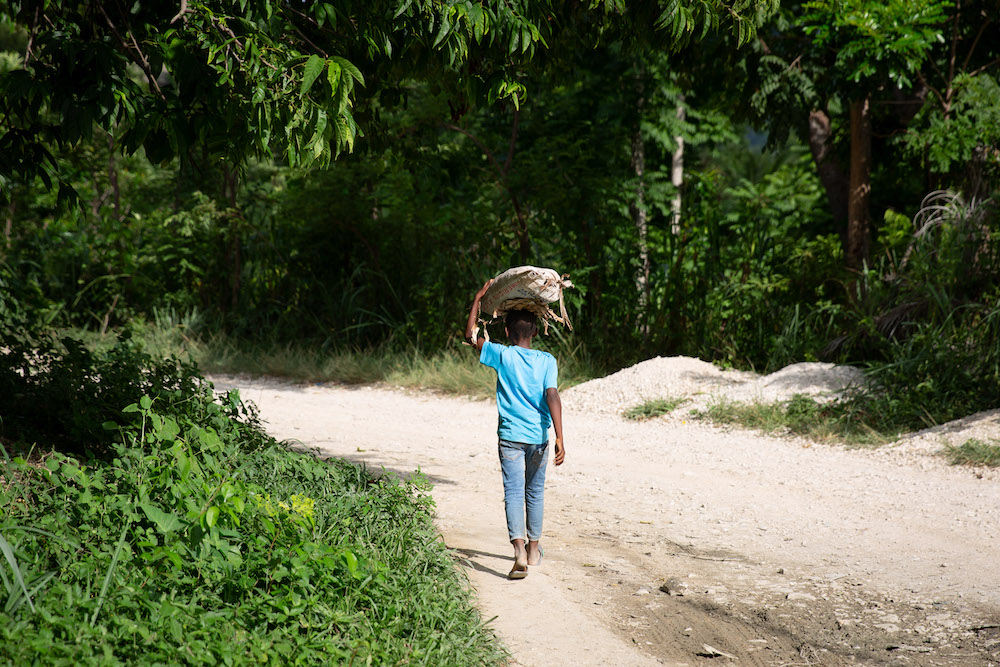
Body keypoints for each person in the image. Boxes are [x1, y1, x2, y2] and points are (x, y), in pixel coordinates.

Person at [465, 278, 565, 579]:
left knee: (513, 493)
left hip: (510, 438)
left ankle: (519, 551)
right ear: (536, 331)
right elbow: (552, 395)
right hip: (539, 438)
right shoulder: (548, 360)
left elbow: (470, 336)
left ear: (507, 332)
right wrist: (560, 436)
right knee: (534, 493)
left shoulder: (503, 355)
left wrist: (478, 298)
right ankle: (535, 550)